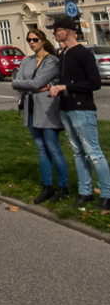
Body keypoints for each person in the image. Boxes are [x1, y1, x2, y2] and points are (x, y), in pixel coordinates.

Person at [47, 17, 110, 210]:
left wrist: (65, 86)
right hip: (66, 107)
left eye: (56, 30)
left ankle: (107, 194)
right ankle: (85, 192)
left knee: (93, 152)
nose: (53, 34)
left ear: (67, 32)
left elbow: (94, 83)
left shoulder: (83, 53)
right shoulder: (63, 54)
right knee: (77, 152)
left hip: (82, 108)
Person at [12, 30, 68, 204]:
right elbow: (16, 82)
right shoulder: (27, 60)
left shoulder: (52, 60)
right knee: (41, 149)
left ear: (43, 41)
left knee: (53, 148)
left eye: (35, 39)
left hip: (46, 110)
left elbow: (34, 82)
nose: (31, 42)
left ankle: (64, 187)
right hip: (31, 109)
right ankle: (47, 186)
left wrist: (30, 85)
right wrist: (33, 87)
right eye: (29, 40)